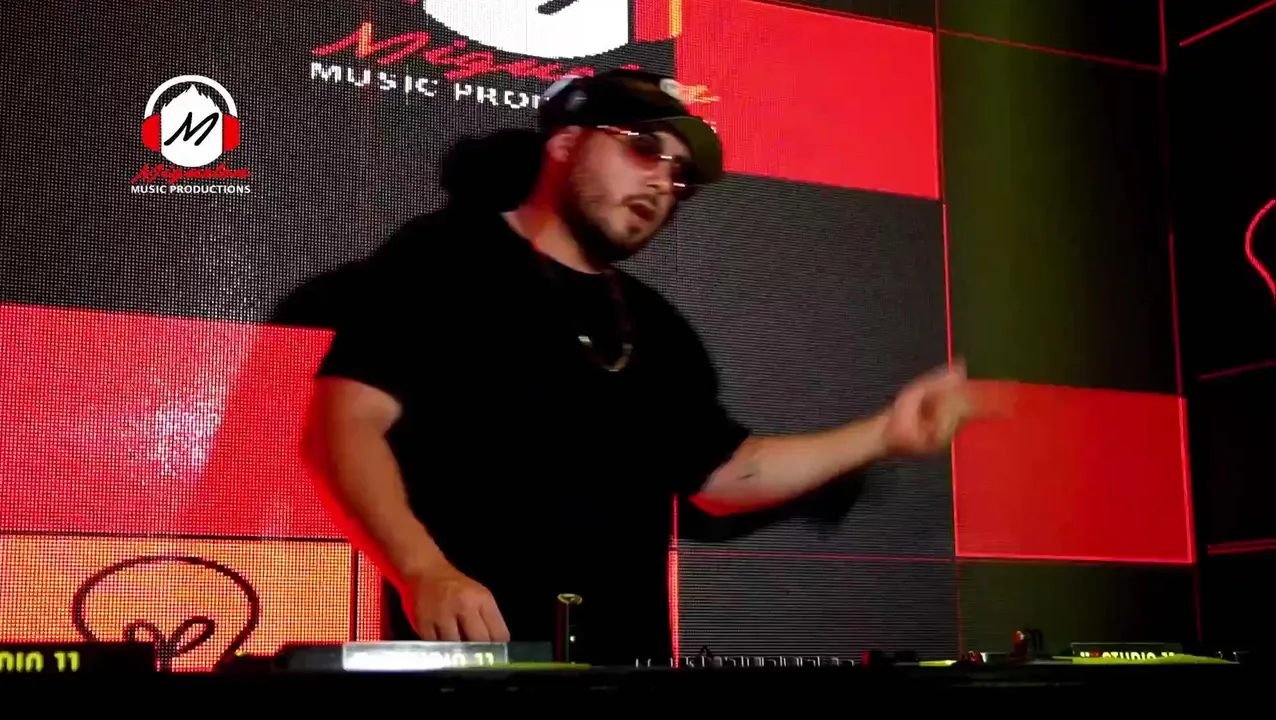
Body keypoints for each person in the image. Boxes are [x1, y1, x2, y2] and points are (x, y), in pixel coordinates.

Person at [302, 69, 978, 664]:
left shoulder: (658, 326)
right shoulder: (445, 256)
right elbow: (344, 427)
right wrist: (422, 570)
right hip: (475, 659)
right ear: (565, 143)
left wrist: (885, 434)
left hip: (630, 666)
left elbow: (724, 474)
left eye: (679, 176)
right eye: (644, 148)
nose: (662, 182)